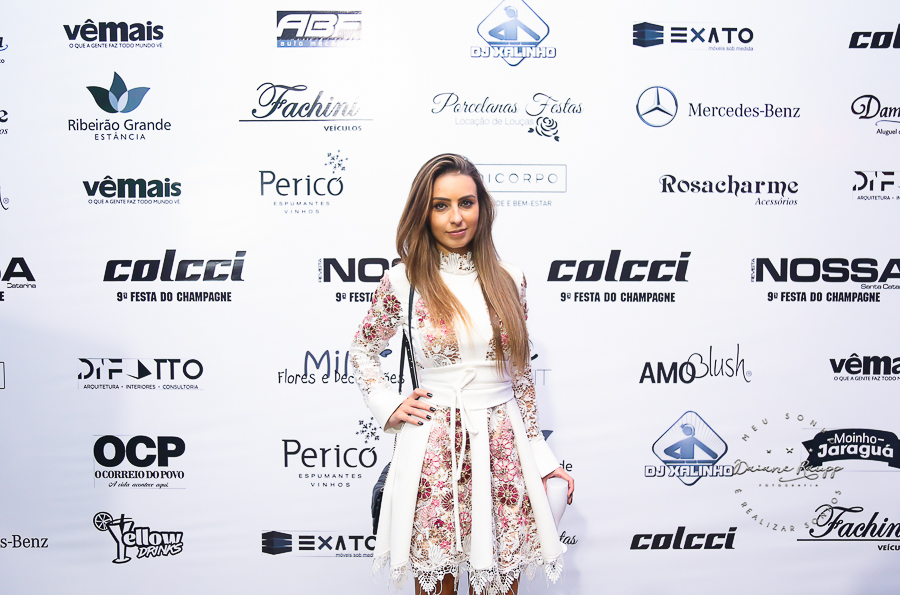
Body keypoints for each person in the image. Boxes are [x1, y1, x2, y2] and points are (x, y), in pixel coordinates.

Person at [349, 154, 574, 595]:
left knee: (499, 585)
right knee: (437, 586)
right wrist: (388, 405)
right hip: (433, 447)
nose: (456, 217)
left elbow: (521, 374)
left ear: (481, 207)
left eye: (466, 203)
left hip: (502, 444)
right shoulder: (404, 281)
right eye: (441, 205)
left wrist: (543, 459)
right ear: (423, 212)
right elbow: (362, 349)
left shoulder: (511, 278)